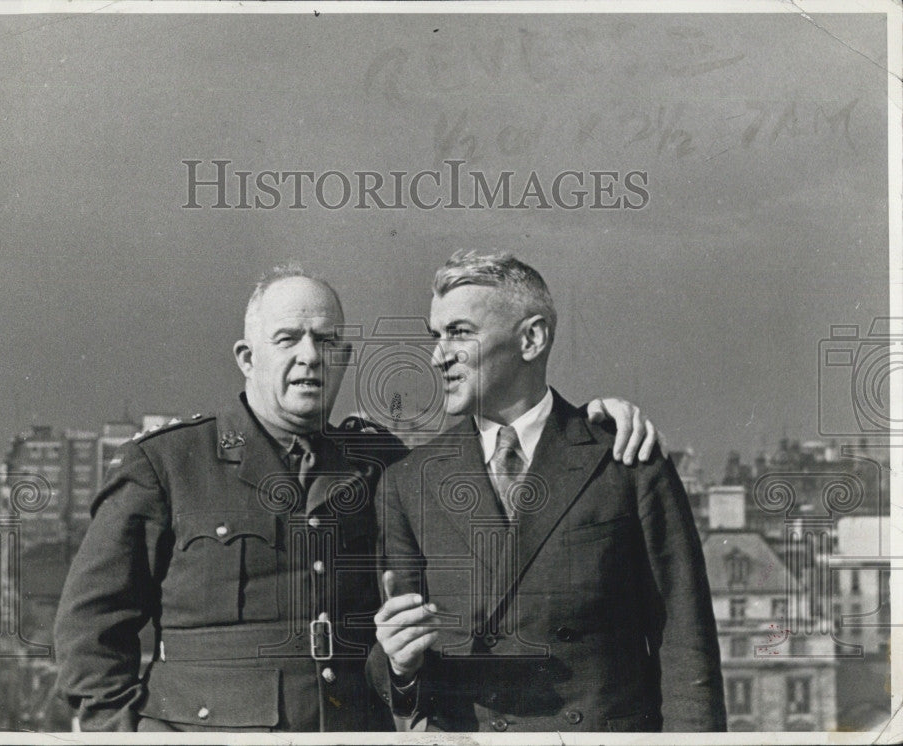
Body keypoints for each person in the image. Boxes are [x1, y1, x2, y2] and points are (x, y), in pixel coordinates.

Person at [54, 265, 663, 732]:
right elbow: (89, 634)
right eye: (287, 339)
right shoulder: (167, 465)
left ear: (345, 358)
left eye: (326, 340)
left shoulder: (382, 466)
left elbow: (499, 473)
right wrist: (125, 739)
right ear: (247, 357)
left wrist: (593, 420)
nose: (309, 358)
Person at [369, 251, 726, 733]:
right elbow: (392, 672)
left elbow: (686, 648)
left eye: (459, 332)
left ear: (531, 339)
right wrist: (399, 665)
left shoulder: (625, 461)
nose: (438, 355)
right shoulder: (408, 483)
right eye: (436, 336)